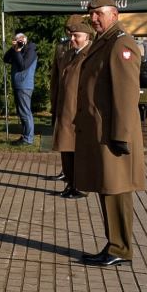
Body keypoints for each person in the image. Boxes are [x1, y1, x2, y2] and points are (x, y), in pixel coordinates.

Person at [75, 0, 144, 267]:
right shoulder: (105, 42)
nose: (93, 19)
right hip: (104, 132)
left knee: (117, 190)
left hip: (114, 133)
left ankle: (120, 248)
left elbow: (126, 95)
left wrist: (121, 135)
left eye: (99, 14)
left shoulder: (120, 43)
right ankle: (115, 244)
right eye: (91, 15)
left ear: (114, 14)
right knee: (109, 189)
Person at [50, 15, 92, 200]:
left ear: (87, 37)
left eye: (77, 36)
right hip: (64, 108)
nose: (73, 39)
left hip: (78, 111)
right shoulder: (68, 53)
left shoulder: (90, 54)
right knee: (66, 150)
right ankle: (70, 183)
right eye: (71, 35)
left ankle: (81, 187)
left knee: (79, 152)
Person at [4, 32, 38, 145]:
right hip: (18, 85)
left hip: (25, 85)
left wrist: (18, 51)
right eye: (16, 40)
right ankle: (25, 136)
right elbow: (5, 59)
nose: (19, 42)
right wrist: (14, 48)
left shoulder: (31, 51)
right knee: (21, 112)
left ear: (25, 40)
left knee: (25, 112)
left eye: (20, 40)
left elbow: (23, 65)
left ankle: (28, 139)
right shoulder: (16, 49)